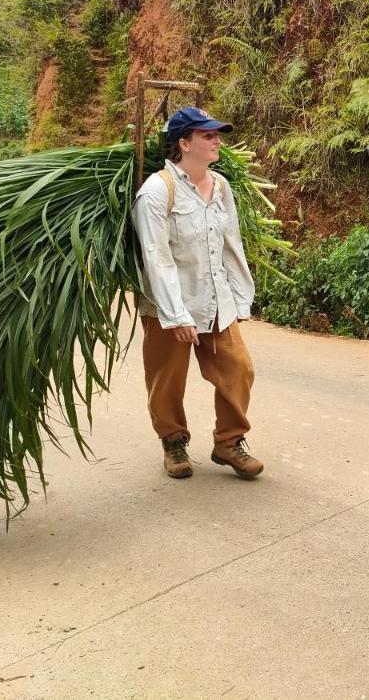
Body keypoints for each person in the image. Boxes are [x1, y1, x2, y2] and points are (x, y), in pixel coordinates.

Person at [131, 106, 263, 480]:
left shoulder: (221, 186)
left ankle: (228, 441)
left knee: (239, 368)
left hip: (215, 301)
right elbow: (157, 259)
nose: (216, 141)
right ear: (184, 143)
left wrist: (240, 299)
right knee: (166, 379)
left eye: (217, 134)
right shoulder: (158, 191)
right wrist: (176, 315)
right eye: (208, 135)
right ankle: (173, 441)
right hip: (167, 305)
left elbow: (230, 245)